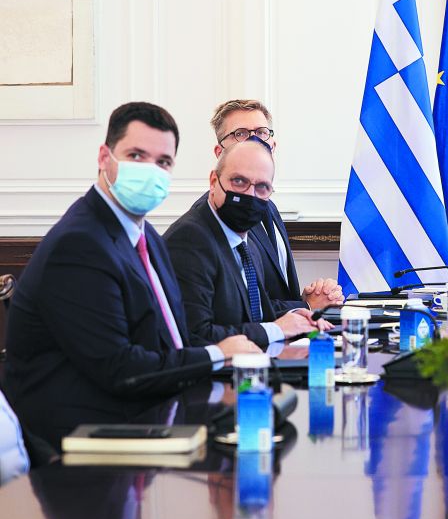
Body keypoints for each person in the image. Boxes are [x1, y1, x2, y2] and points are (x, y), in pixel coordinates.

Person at [3, 103, 260, 447]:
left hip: (151, 411)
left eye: (163, 162)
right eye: (136, 156)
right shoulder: (79, 244)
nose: (150, 171)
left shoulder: (146, 235)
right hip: (82, 440)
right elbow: (120, 370)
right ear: (104, 158)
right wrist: (218, 353)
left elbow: (171, 340)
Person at [164, 140, 331, 349]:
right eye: (239, 181)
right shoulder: (190, 239)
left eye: (262, 187)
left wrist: (297, 316)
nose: (250, 195)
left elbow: (255, 313)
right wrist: (276, 329)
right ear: (213, 181)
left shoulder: (247, 242)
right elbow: (196, 335)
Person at [207, 99, 343, 310]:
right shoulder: (215, 215)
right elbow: (240, 307)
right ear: (219, 152)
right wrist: (305, 306)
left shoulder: (268, 205)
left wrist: (304, 299)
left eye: (261, 132)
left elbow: (272, 291)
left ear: (272, 145)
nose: (254, 140)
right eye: (240, 133)